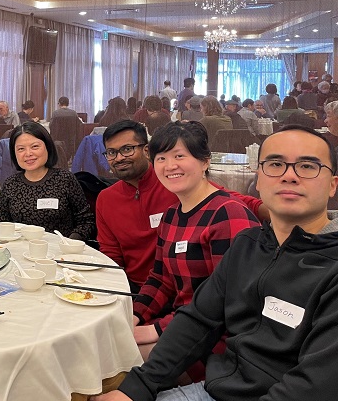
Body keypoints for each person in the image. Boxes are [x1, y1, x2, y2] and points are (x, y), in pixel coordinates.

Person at [94, 124, 338, 401]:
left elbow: (316, 384)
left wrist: (152, 331)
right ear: (258, 178)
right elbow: (198, 318)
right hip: (220, 382)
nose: (289, 176)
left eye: (307, 166)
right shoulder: (248, 244)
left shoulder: (230, 218)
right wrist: (135, 389)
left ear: (332, 185)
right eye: (275, 164)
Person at [130, 122, 260, 379]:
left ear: (204, 162)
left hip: (218, 342)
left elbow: (231, 301)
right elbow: (160, 279)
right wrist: (134, 316)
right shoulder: (171, 216)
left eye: (180, 156)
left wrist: (157, 329)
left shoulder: (228, 214)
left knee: (116, 363)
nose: (170, 166)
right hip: (181, 326)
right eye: (161, 158)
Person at [96, 120, 264, 293]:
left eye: (127, 149)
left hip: (188, 290)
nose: (119, 158)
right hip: (142, 289)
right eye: (111, 152)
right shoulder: (106, 199)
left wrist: (279, 213)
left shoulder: (174, 182)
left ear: (146, 151)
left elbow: (222, 199)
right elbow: (111, 255)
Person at [0, 122, 95, 239]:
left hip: (60, 253)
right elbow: (3, 224)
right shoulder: (10, 184)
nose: (28, 154)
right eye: (21, 149)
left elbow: (86, 221)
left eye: (35, 146)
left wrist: (70, 243)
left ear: (47, 147)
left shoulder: (64, 179)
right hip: (20, 252)